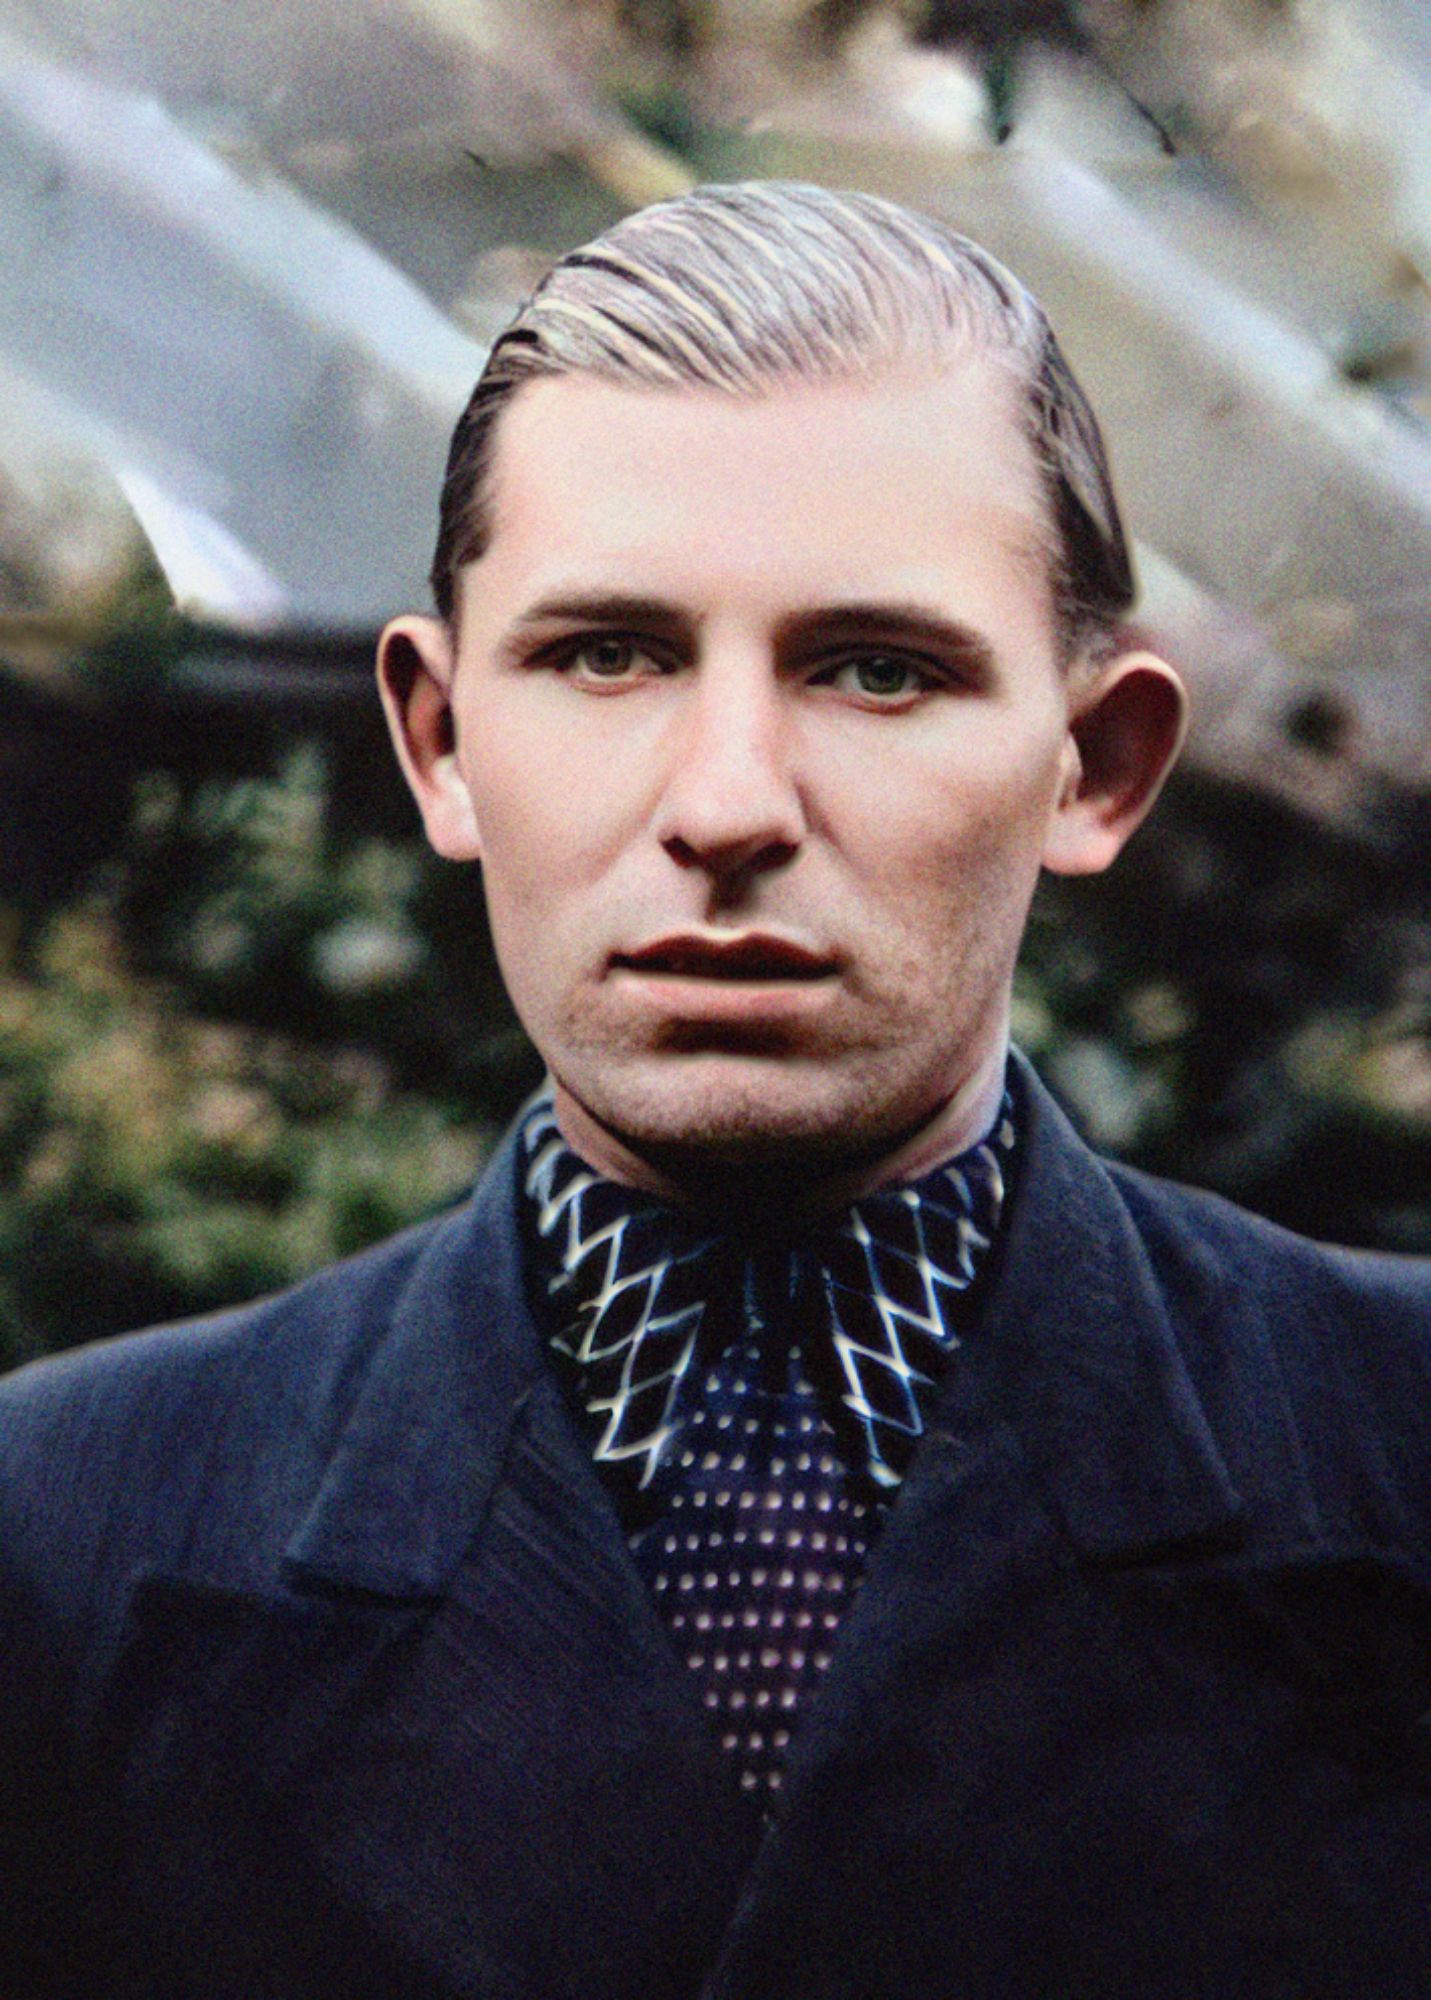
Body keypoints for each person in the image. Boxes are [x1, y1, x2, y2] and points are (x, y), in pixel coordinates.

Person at [3, 180, 1430, 2000]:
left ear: (1095, 765)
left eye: (876, 671)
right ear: (441, 744)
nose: (730, 804)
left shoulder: (1394, 1451)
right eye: (608, 656)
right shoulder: (65, 1533)